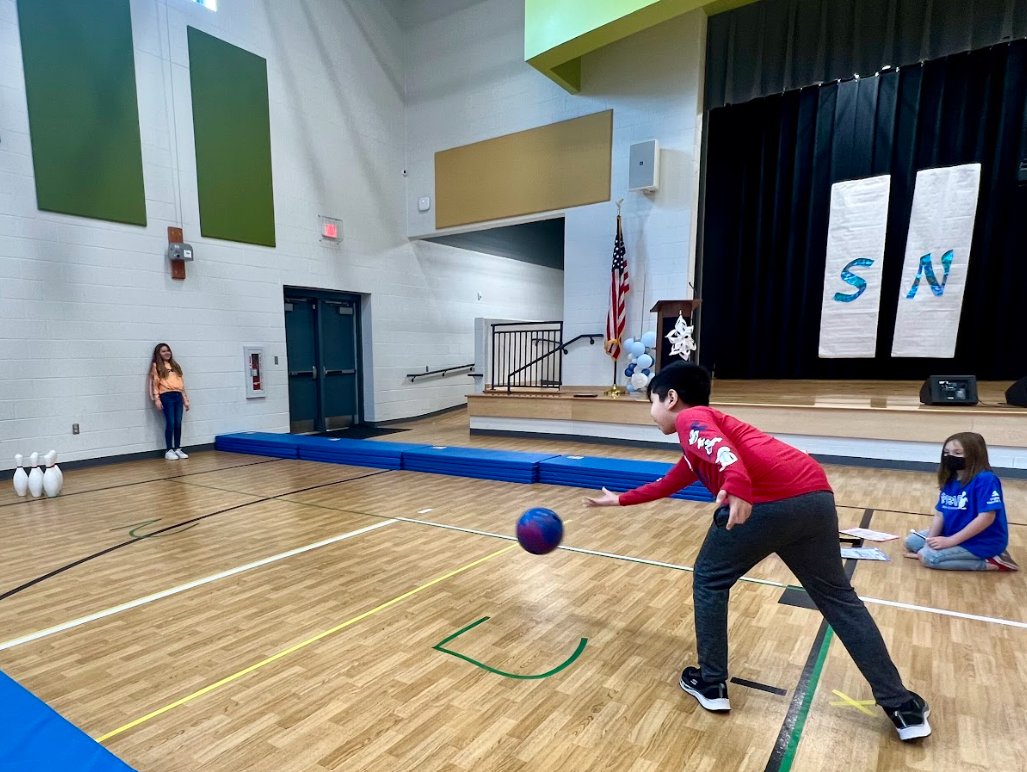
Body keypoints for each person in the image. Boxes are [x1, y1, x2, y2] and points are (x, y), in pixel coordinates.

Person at [584, 362, 931, 741]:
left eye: (651, 402)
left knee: (709, 580)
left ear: (671, 398)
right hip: (814, 499)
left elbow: (725, 454)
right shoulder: (700, 439)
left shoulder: (693, 419)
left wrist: (740, 489)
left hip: (768, 502)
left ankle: (711, 682)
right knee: (838, 599)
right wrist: (619, 500)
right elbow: (671, 482)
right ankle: (902, 706)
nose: (651, 414)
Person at [904, 432, 1017, 571]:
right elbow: (940, 514)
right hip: (954, 532)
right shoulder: (951, 477)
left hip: (982, 540)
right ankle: (944, 551)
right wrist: (928, 543)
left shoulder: (986, 479)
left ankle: (992, 561)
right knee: (912, 543)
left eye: (957, 453)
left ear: (974, 455)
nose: (950, 457)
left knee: (929, 558)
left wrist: (950, 541)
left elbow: (987, 517)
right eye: (946, 453)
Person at [149, 343, 190, 460]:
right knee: (170, 422)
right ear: (158, 353)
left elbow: (181, 385)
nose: (167, 353)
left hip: (178, 395)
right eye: (163, 351)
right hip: (166, 396)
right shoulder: (156, 366)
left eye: (168, 351)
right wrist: (156, 399)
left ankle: (178, 448)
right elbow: (155, 384)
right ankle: (169, 449)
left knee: (178, 423)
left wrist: (185, 400)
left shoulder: (175, 366)